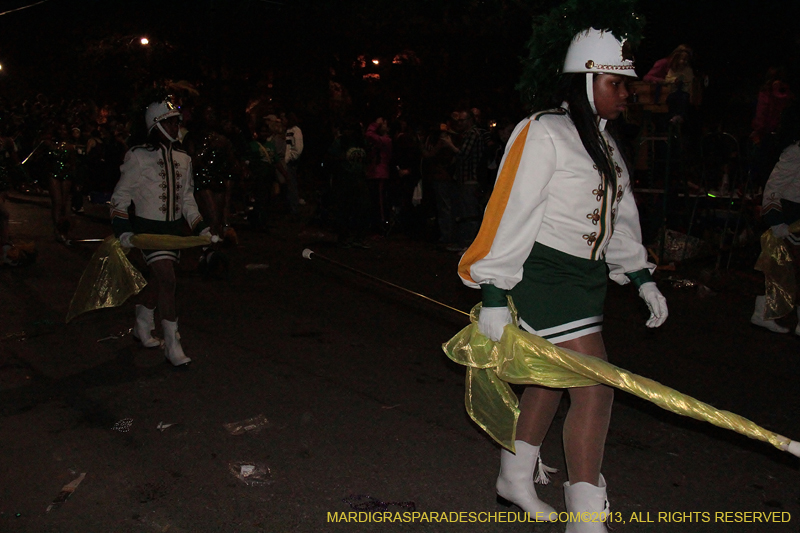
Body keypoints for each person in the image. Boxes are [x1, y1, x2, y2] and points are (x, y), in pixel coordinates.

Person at [457, 27, 668, 531]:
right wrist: (492, 291)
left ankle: (514, 476)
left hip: (585, 278)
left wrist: (641, 277)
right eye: (618, 84)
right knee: (597, 389)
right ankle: (586, 518)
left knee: (552, 380)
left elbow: (617, 216)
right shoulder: (544, 129)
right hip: (545, 275)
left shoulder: (605, 141)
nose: (626, 94)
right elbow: (511, 209)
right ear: (590, 78)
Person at [109, 98, 216, 367]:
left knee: (159, 281)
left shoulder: (184, 159)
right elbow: (120, 198)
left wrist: (202, 227)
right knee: (168, 279)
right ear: (157, 125)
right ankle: (172, 344)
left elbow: (188, 200)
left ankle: (142, 324)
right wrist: (123, 231)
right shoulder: (138, 156)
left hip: (173, 232)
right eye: (170, 120)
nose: (176, 125)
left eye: (177, 120)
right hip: (148, 232)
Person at [751, 110, 800, 333]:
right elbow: (773, 188)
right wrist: (776, 222)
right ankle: (763, 314)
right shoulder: (796, 152)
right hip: (790, 218)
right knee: (780, 269)